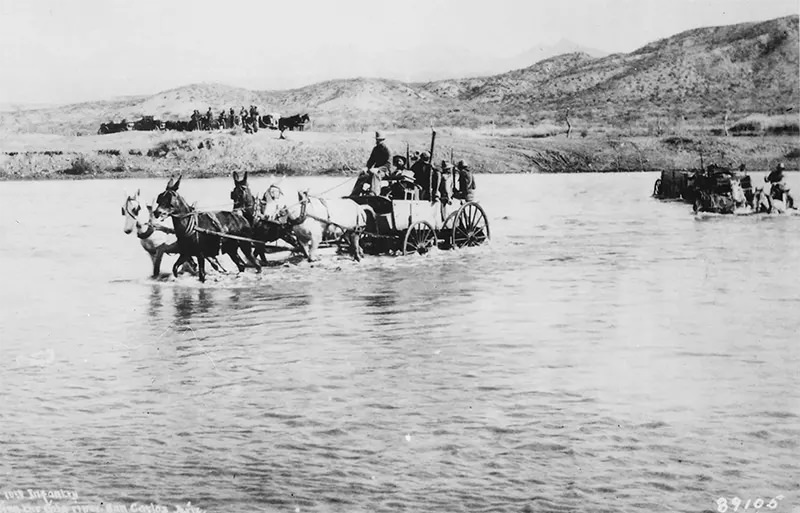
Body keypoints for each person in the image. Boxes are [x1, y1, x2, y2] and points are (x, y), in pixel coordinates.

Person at [350, 131, 391, 197]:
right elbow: (371, 161)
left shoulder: (387, 150)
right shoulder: (375, 149)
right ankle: (355, 193)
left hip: (385, 171)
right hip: (375, 170)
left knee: (375, 174)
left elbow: (389, 164)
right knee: (363, 175)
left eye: (380, 140)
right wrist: (366, 168)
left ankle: (373, 193)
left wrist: (378, 169)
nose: (378, 141)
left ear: (383, 140)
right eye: (377, 140)